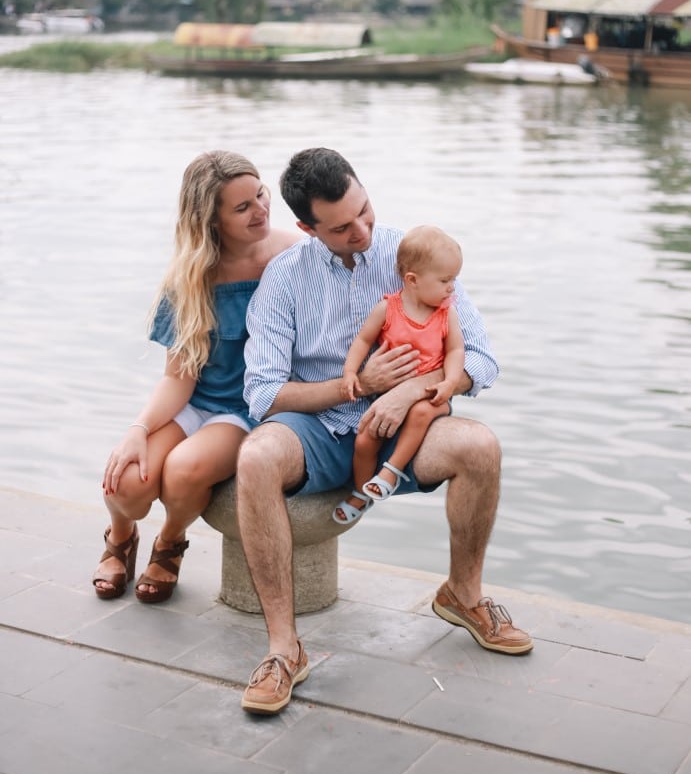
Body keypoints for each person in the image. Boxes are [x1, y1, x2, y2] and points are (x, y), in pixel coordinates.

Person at [237, 147, 532, 716]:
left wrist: (408, 390)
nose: (364, 231)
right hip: (319, 428)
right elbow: (262, 394)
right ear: (306, 227)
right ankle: (283, 650)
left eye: (365, 210)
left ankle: (463, 596)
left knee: (479, 445)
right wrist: (359, 384)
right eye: (343, 227)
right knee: (255, 457)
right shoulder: (284, 278)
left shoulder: (414, 255)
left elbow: (484, 362)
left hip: (411, 426)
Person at [92, 151, 296, 604]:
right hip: (193, 402)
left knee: (182, 472)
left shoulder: (292, 255)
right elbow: (178, 378)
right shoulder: (191, 276)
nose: (261, 209)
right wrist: (138, 430)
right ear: (211, 221)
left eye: (261, 195)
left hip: (245, 409)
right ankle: (121, 536)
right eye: (242, 207)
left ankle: (169, 542)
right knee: (126, 479)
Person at [333, 225, 465, 524]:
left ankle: (391, 471)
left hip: (430, 396)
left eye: (453, 280)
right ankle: (361, 491)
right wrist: (351, 372)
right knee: (365, 439)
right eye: (445, 280)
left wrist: (449, 382)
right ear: (412, 280)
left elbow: (456, 350)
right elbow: (363, 340)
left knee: (420, 412)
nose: (452, 288)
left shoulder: (447, 313)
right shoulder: (387, 308)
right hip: (387, 398)